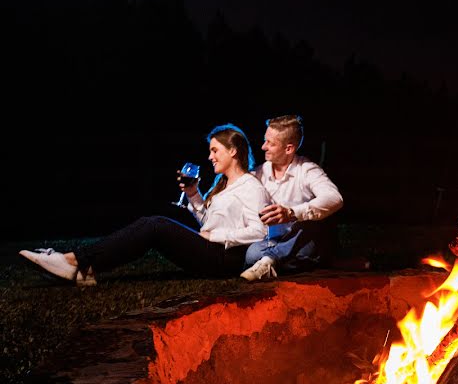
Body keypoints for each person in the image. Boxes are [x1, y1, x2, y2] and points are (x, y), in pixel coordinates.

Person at [20, 124, 270, 285]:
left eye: (215, 150)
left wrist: (216, 234)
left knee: (156, 225)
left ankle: (74, 261)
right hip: (211, 249)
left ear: (234, 151)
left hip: (224, 260)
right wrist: (194, 195)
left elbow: (260, 231)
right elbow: (207, 223)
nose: (209, 156)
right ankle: (82, 267)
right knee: (153, 225)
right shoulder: (223, 185)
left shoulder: (251, 186)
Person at [239, 114, 344, 281]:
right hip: (274, 241)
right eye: (265, 140)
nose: (263, 147)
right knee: (253, 254)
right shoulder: (259, 173)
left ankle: (271, 261)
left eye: (270, 143)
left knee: (311, 227)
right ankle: (292, 262)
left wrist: (291, 212)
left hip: (303, 238)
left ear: (289, 148)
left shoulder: (307, 169)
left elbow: (334, 198)